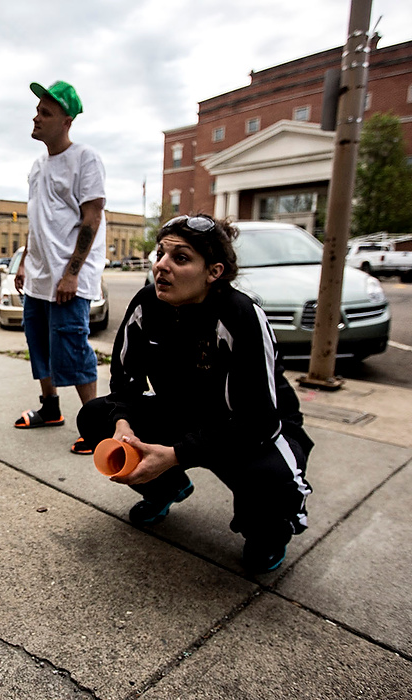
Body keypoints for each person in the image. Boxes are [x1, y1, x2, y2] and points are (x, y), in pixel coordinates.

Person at [77, 214, 314, 574]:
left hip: (250, 427)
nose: (161, 266)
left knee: (271, 479)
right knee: (96, 417)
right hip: (181, 413)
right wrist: (123, 425)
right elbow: (124, 380)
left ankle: (268, 533)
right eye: (161, 254)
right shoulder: (147, 304)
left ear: (214, 272)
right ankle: (164, 488)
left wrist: (175, 453)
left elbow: (259, 422)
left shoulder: (241, 315)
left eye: (180, 258)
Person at [13, 80, 107, 456]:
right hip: (37, 275)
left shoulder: (85, 158)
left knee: (73, 348)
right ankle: (50, 409)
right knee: (39, 345)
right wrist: (23, 262)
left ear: (66, 121)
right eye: (37, 110)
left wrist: (72, 274)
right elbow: (38, 222)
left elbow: (92, 218)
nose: (36, 117)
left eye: (46, 112)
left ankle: (96, 425)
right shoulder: (36, 167)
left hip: (69, 278)